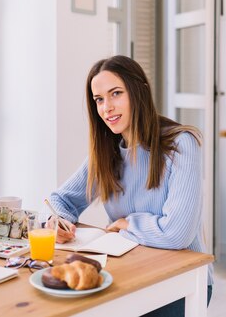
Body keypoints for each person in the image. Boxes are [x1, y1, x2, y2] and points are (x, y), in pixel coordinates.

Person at [49, 55, 213, 316]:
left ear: (139, 91)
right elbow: (61, 200)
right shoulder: (106, 152)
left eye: (116, 94)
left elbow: (177, 233)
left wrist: (129, 223)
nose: (107, 108)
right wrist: (59, 222)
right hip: (129, 271)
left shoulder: (181, 145)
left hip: (181, 279)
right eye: (99, 100)